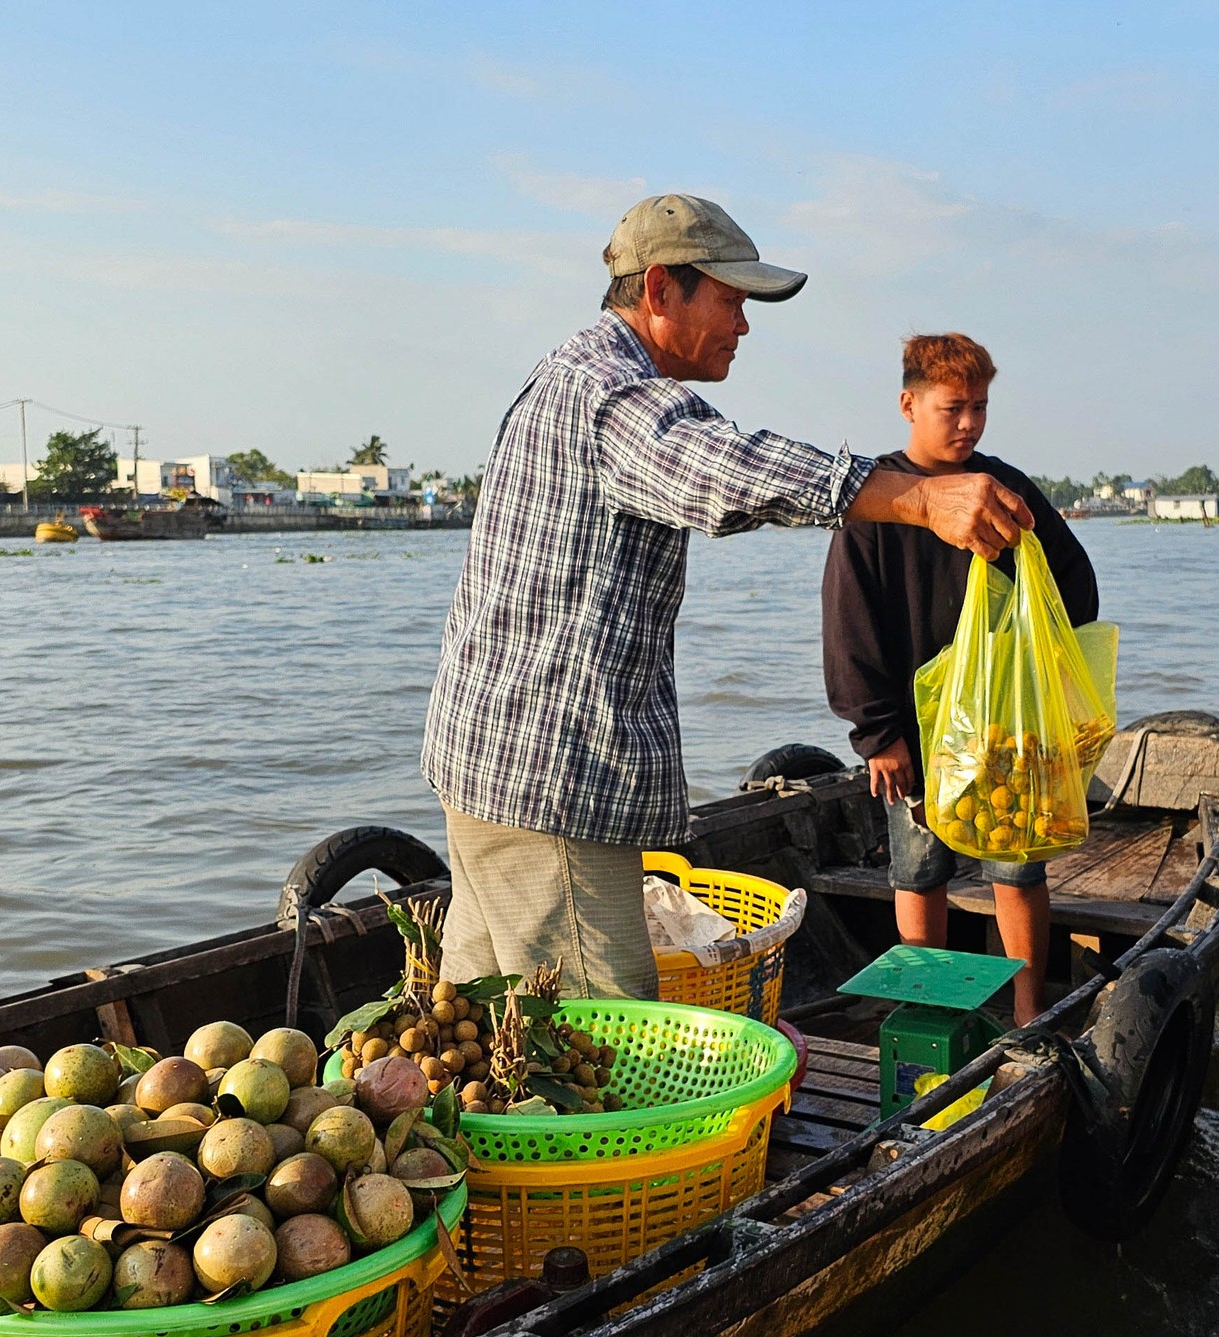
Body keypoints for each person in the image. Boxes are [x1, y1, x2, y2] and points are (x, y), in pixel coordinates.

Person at [423, 195, 1036, 998]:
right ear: (659, 290)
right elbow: (725, 468)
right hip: (550, 790)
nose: (743, 326)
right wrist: (921, 499)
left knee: (479, 1022)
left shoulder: (572, 372)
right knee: (590, 1035)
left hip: (491, 769)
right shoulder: (614, 394)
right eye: (730, 300)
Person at [821, 333, 1099, 1026]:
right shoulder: (876, 504)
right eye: (953, 408)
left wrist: (1042, 667)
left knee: (1017, 867)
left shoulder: (1004, 489)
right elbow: (848, 624)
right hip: (913, 735)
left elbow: (1072, 582)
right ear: (909, 403)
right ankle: (929, 1015)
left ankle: (1030, 1011)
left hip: (1002, 727)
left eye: (979, 407)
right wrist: (877, 732)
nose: (969, 423)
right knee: (918, 869)